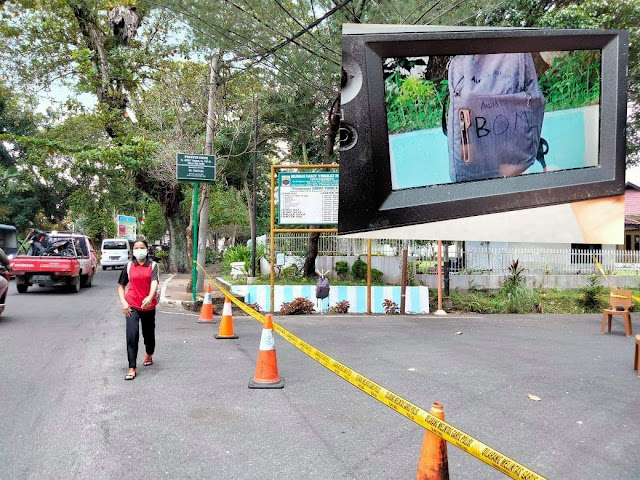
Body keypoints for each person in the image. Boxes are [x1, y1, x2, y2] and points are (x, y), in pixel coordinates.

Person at [117, 240, 159, 381]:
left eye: (142, 247)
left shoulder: (153, 265)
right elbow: (121, 286)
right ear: (133, 250)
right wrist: (123, 302)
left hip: (148, 306)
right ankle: (132, 367)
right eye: (136, 248)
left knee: (148, 333)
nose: (139, 250)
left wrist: (150, 296)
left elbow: (154, 282)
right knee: (131, 335)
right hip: (132, 305)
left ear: (147, 250)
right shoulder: (129, 266)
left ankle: (149, 353)